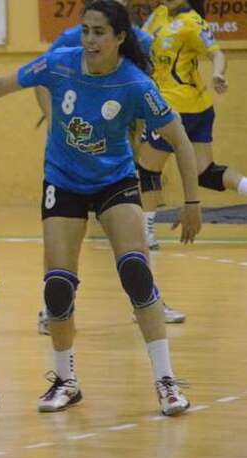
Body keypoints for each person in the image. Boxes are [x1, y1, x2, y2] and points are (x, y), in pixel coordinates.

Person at [0, 0, 202, 416]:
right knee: (57, 285)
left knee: (136, 274)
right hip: (63, 181)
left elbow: (180, 141)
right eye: (85, 30)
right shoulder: (60, 64)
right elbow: (3, 83)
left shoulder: (135, 84)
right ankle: (65, 381)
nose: (89, 39)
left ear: (119, 37)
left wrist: (192, 203)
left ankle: (166, 380)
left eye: (99, 32)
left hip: (114, 182)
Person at [34, 0, 185, 334]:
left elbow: (145, 84)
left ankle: (148, 296)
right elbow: (42, 79)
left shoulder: (141, 38)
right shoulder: (72, 38)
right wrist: (54, 118)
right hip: (71, 154)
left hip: (115, 143)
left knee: (135, 229)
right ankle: (52, 306)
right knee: (60, 237)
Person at [137, 0, 247, 248]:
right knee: (204, 173)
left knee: (148, 168)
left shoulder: (192, 22)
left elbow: (217, 53)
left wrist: (218, 74)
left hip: (171, 108)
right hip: (198, 107)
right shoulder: (159, 13)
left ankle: (146, 233)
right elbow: (139, 41)